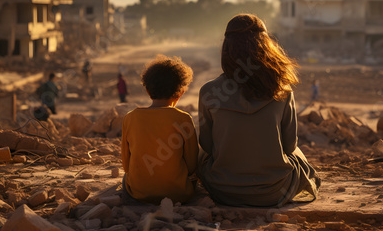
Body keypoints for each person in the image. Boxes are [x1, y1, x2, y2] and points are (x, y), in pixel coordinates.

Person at [198, 14, 321, 207]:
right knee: (298, 155)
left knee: (199, 156)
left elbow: (206, 144)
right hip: (274, 191)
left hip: (223, 190)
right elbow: (289, 146)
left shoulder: (209, 91)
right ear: (266, 47)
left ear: (226, 48)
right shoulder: (282, 90)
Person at [121, 55, 198, 205]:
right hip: (179, 193)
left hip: (139, 192)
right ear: (180, 93)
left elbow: (126, 164)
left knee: (125, 180)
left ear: (148, 91)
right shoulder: (184, 119)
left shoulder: (130, 118)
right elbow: (192, 165)